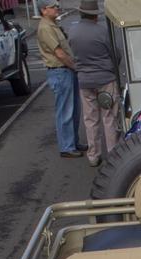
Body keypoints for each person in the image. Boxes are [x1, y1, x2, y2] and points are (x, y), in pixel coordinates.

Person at [69, 0, 119, 168]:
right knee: (109, 117)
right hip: (105, 79)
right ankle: (112, 153)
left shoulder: (73, 32)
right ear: (95, 15)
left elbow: (72, 54)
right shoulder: (102, 31)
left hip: (84, 80)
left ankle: (93, 155)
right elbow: (115, 54)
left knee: (90, 119)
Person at [38, 0, 83, 158]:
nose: (57, 8)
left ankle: (73, 142)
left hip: (66, 71)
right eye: (53, 7)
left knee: (74, 110)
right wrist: (75, 67)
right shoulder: (45, 28)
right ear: (44, 10)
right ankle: (67, 146)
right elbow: (59, 53)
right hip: (60, 71)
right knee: (65, 111)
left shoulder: (53, 25)